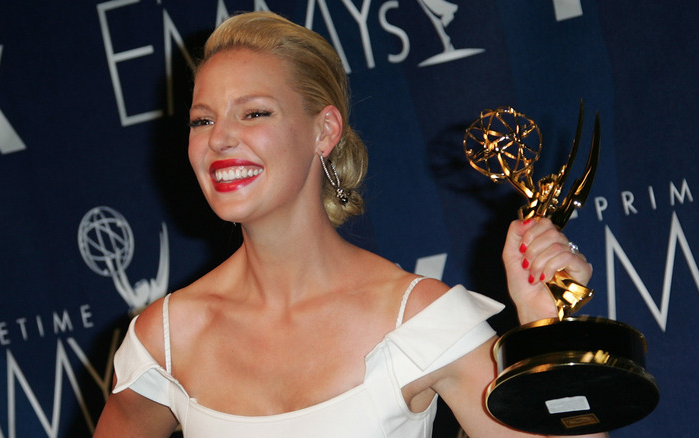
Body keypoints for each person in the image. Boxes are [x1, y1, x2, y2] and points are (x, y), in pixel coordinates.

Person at [94, 11, 601, 438]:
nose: (220, 138)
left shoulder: (416, 319)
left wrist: (545, 330)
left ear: (324, 130)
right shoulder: (167, 336)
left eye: (254, 113)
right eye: (202, 120)